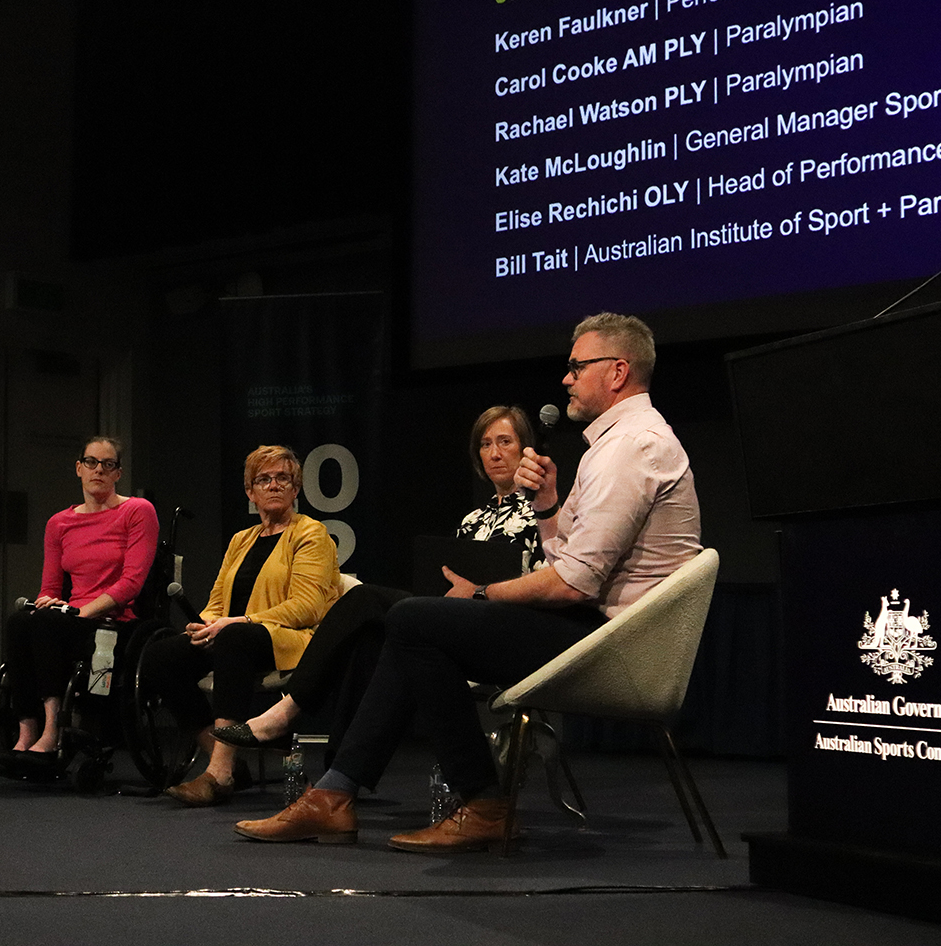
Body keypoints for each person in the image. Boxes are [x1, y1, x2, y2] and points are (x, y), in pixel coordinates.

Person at [235, 313, 701, 850]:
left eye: (577, 366)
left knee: (413, 620)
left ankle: (472, 803)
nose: (566, 378)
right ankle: (339, 795)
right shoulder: (615, 445)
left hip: (612, 644)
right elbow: (565, 556)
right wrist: (548, 504)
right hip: (594, 629)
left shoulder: (631, 447)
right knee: (412, 626)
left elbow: (572, 583)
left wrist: (480, 593)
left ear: (617, 372)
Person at [213, 406, 544, 765]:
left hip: (501, 628)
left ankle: (285, 713)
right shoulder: (473, 519)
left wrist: (481, 591)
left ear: (526, 448)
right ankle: (337, 777)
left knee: (364, 598)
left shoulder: (542, 512)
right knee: (369, 637)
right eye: (485, 444)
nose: (494, 453)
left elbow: (548, 583)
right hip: (450, 620)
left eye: (505, 442)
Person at [145, 445, 342, 807]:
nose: (274, 486)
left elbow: (307, 606)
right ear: (250, 492)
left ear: (296, 488)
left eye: (283, 478)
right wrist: (203, 625)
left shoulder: (312, 535)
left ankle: (219, 773)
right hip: (235, 634)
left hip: (287, 638)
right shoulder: (241, 540)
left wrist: (236, 622)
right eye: (263, 479)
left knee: (234, 638)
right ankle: (228, 757)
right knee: (160, 655)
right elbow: (218, 601)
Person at [3, 436, 158, 763]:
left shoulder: (137, 511)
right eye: (91, 462)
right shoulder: (59, 523)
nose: (98, 470)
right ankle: (27, 728)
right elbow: (49, 588)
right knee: (20, 623)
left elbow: (131, 583)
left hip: (115, 622)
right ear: (78, 468)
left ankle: (52, 728)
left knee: (47, 624)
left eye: (108, 464)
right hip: (69, 618)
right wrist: (47, 602)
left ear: (118, 473)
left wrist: (79, 612)